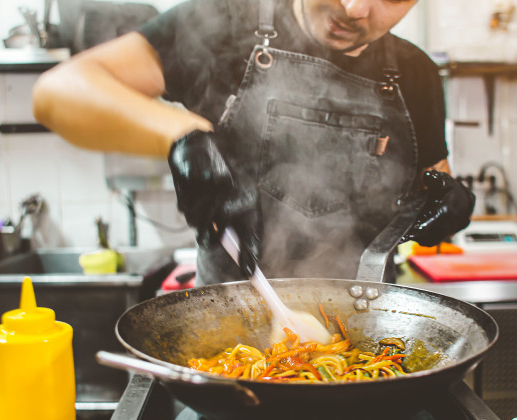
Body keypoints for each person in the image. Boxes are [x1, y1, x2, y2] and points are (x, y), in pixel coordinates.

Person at [32, 0, 475, 286]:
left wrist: (447, 204)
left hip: (368, 337)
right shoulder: (225, 23)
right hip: (227, 333)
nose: (355, 8)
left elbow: (432, 180)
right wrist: (181, 134)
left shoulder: (415, 72)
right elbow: (57, 93)